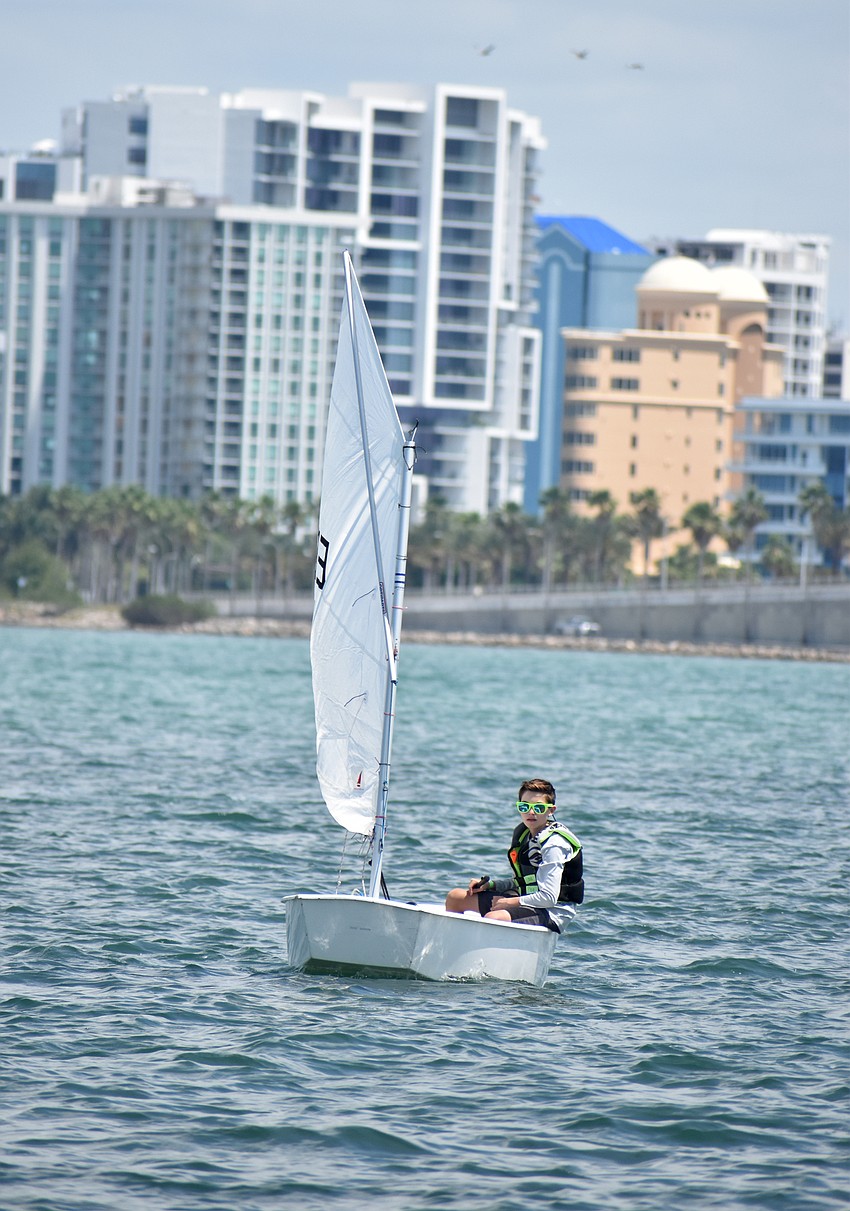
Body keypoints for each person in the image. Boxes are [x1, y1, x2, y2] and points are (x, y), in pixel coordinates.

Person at [444, 778, 583, 933]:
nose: (530, 812)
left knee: (494, 918)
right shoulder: (524, 835)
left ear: (551, 810)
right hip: (525, 899)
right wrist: (491, 885)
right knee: (455, 897)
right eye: (524, 807)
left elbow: (549, 897)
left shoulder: (554, 844)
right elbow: (525, 881)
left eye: (538, 808)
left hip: (552, 911)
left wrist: (511, 903)